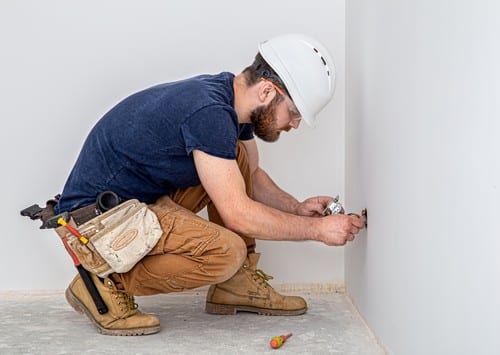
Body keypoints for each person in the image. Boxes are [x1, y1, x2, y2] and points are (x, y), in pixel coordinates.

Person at [54, 33, 365, 336]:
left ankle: (235, 285)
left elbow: (251, 175)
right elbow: (238, 215)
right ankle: (101, 284)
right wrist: (318, 231)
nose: (295, 124)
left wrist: (296, 208)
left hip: (135, 201)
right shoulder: (210, 113)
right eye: (294, 113)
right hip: (96, 221)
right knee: (226, 252)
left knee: (238, 156)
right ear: (268, 92)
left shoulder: (229, 103)